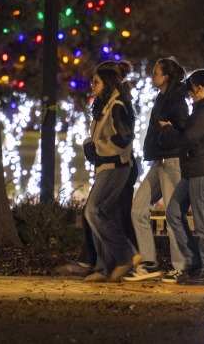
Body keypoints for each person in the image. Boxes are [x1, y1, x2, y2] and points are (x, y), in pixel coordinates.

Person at [125, 57, 195, 282]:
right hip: (158, 161)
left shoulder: (177, 100)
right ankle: (149, 262)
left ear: (165, 77)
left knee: (173, 214)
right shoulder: (162, 97)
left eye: (156, 73)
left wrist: (168, 132)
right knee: (138, 209)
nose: (152, 76)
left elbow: (185, 132)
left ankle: (181, 266)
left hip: (172, 161)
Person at [159, 69, 204, 286]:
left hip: (203, 169)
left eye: (191, 90)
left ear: (200, 88)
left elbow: (189, 136)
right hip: (194, 169)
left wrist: (169, 130)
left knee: (203, 221)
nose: (189, 95)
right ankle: (196, 261)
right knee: (173, 211)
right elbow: (190, 132)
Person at [81, 67, 137, 282]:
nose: (92, 86)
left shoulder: (117, 105)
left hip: (116, 166)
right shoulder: (104, 106)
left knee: (93, 211)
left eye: (96, 82)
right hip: (106, 166)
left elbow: (123, 139)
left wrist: (96, 149)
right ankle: (105, 267)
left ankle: (124, 256)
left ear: (107, 83)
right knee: (103, 213)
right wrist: (92, 147)